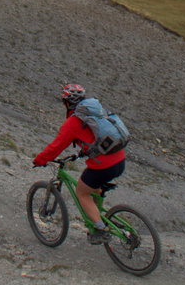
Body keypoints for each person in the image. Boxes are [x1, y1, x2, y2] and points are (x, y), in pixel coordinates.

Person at [33, 83, 126, 244]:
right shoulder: (97, 112)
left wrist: (40, 160)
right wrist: (83, 152)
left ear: (67, 103)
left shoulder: (74, 122)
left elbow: (56, 147)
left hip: (103, 166)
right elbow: (94, 139)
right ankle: (100, 218)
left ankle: (99, 229)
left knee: (82, 192)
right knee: (94, 187)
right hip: (120, 160)